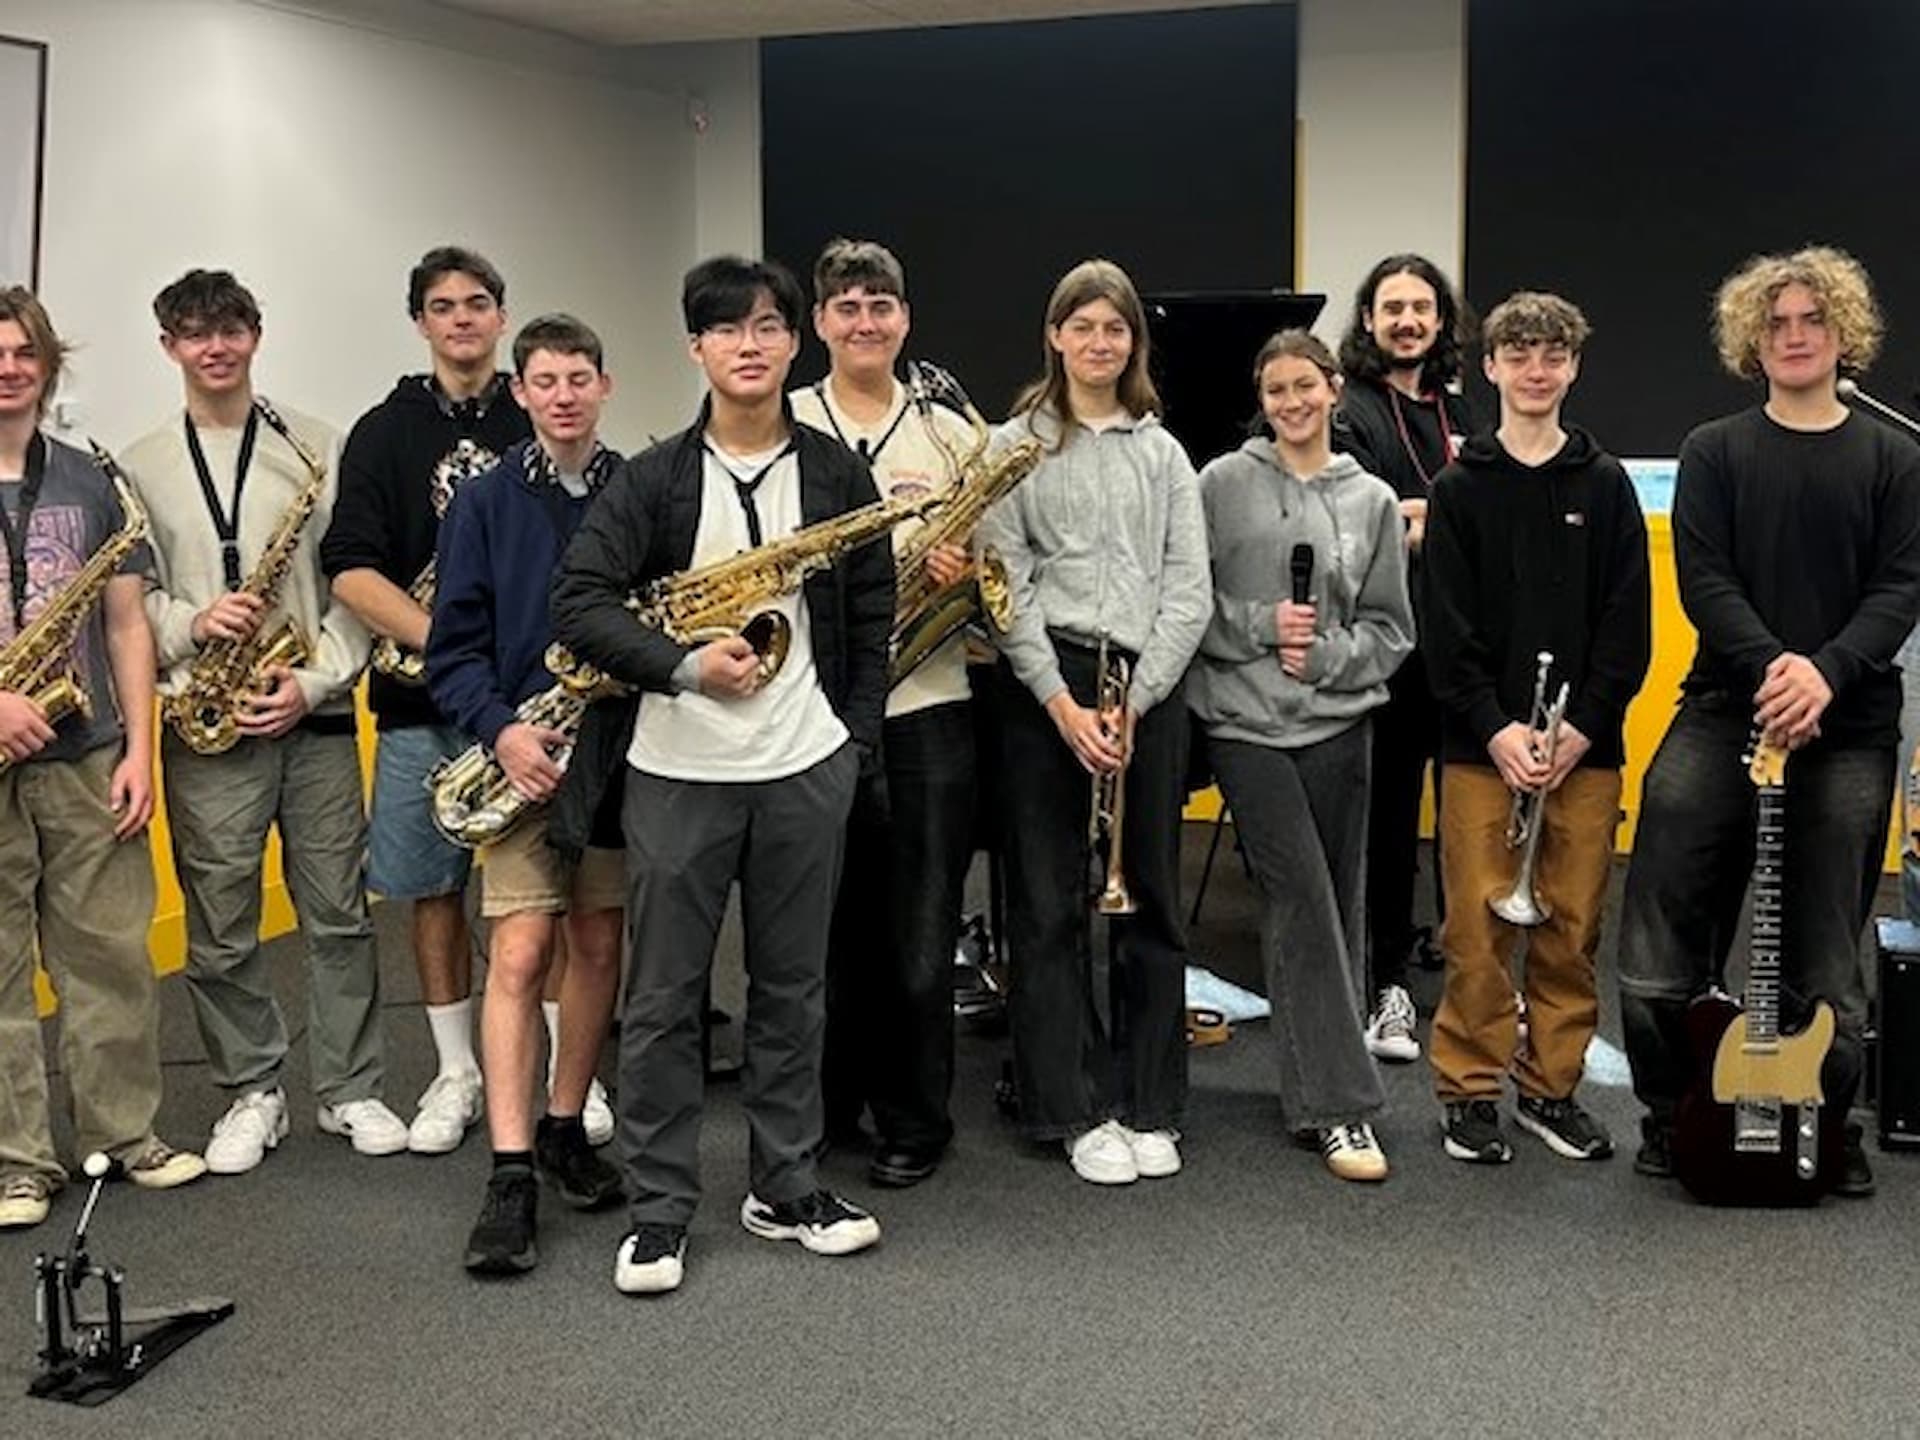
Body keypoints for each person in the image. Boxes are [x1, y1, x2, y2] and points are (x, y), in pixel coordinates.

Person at [551, 256, 890, 1295]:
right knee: (661, 1001)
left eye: (769, 325)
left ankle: (784, 1187)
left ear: (795, 342)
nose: (751, 343)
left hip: (803, 768)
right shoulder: (650, 479)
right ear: (695, 348)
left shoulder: (836, 475)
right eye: (727, 328)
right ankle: (659, 1211)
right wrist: (684, 665)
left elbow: (874, 611)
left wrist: (852, 740)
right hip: (678, 772)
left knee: (795, 992)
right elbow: (580, 603)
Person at [1618, 246, 1920, 1196]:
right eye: (1777, 324)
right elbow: (1703, 579)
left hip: (1852, 721)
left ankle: (1825, 1124)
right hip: (1723, 710)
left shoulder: (1894, 458)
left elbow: (1901, 585)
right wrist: (1775, 670)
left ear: (1844, 336)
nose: (1794, 337)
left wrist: (1825, 673)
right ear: (1753, 340)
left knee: (1829, 940)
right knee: (1661, 922)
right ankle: (1677, 1113)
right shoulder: (1713, 450)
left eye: (1812, 322)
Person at [123, 269, 404, 1173]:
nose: (216, 347)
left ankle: (351, 1089)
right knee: (222, 924)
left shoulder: (318, 448)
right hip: (207, 725)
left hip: (309, 718)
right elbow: (130, 606)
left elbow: (360, 588)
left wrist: (314, 683)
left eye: (231, 329)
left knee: (338, 917)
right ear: (168, 345)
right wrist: (192, 623)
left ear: (256, 333)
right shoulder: (138, 466)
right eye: (195, 332)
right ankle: (253, 1090)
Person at [323, 246, 571, 1156]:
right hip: (420, 702)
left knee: (541, 897)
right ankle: (456, 1071)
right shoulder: (383, 432)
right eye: (442, 306)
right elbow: (348, 565)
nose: (461, 319)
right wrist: (451, 640)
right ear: (421, 322)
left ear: (502, 318)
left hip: (536, 707)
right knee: (431, 889)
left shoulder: (542, 409)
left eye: (477, 304)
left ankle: (553, 1071)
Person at [976, 258, 1211, 1186]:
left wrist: (1137, 696)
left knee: (1149, 892)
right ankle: (1066, 1105)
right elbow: (1006, 584)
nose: (1100, 344)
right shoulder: (1016, 447)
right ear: (1055, 336)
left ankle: (1152, 1101)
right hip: (1050, 689)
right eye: (1084, 327)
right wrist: (1062, 702)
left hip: (1144, 683)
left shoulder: (1163, 453)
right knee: (1047, 901)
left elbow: (1189, 590)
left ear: (1132, 343)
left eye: (1116, 329)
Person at [1422, 292, 1651, 1164]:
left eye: (1552, 356)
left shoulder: (1605, 486)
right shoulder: (1459, 489)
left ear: (1573, 368)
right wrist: (1499, 732)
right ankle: (1470, 1091)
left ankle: (1551, 1088)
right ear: (1490, 368)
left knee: (1571, 926)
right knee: (1477, 931)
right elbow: (1447, 637)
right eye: (1518, 355)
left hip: (1584, 755)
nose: (1535, 371)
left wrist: (1580, 730)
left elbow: (1627, 627)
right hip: (1484, 753)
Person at [0, 287, 204, 1229]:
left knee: (111, 956)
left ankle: (127, 1136)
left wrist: (140, 752)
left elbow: (128, 626)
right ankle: (16, 1163)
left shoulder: (94, 480)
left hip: (90, 754)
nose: (8, 368)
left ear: (47, 363)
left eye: (22, 352)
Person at [426, 314, 626, 1274]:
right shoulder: (483, 503)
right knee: (521, 946)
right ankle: (509, 1174)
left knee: (596, 942)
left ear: (605, 385)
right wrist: (502, 732)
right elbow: (450, 649)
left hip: (617, 758)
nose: (563, 395)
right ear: (520, 392)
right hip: (521, 753)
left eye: (579, 377)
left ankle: (562, 1127)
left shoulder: (643, 489)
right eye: (544, 380)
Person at [1189, 329, 1411, 1181]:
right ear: (1262, 399)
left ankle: (1315, 1079)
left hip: (1341, 726)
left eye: (1305, 387)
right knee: (1302, 897)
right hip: (1247, 728)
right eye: (1275, 390)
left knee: (1332, 907)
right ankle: (1342, 1109)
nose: (1291, 403)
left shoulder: (1374, 502)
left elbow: (1393, 629)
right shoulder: (1220, 485)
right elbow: (1187, 602)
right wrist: (1257, 627)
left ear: (1332, 391)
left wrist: (1324, 657)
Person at [790, 238, 978, 1187]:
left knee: (918, 930)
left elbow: (1001, 575)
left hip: (927, 706)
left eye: (882, 306)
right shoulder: (782, 422)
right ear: (820, 323)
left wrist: (967, 573)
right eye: (847, 307)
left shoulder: (951, 433)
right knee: (824, 930)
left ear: (905, 318)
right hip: (810, 714)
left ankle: (916, 1119)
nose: (866, 322)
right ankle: (827, 1107)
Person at [1334, 254, 1476, 1064]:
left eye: (1421, 308)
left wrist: (1426, 515)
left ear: (1441, 322)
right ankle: (1386, 980)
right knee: (1389, 828)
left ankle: (1473, 976)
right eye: (1393, 308)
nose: (1408, 322)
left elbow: (1453, 516)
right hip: (1386, 655)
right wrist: (1421, 518)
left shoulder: (1463, 412)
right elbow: (1361, 520)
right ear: (1370, 321)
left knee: (1467, 826)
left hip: (1459, 654)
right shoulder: (1349, 410)